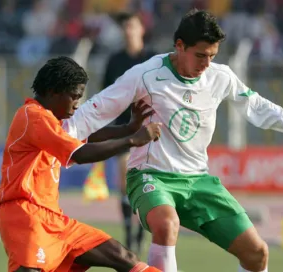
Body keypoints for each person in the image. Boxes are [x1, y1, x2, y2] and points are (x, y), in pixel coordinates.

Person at [63, 9, 283, 272]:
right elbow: (95, 109)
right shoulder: (145, 74)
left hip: (198, 180)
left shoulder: (220, 76)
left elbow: (258, 106)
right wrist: (55, 137)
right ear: (179, 46)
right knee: (167, 224)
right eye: (201, 55)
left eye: (212, 56)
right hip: (150, 176)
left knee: (257, 252)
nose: (206, 64)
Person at [0, 56, 163, 272]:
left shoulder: (51, 122)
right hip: (25, 215)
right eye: (74, 97)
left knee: (123, 256)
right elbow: (81, 153)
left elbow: (88, 136)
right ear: (55, 91)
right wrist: (132, 140)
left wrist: (128, 129)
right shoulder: (33, 116)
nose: (77, 105)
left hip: (53, 219)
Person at [103, 12, 157, 256]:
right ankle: (128, 234)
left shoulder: (152, 59)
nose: (128, 31)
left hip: (149, 130)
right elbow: (105, 95)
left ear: (141, 30)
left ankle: (141, 232)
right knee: (125, 181)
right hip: (124, 129)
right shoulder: (114, 61)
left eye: (132, 26)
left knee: (146, 183)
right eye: (125, 26)